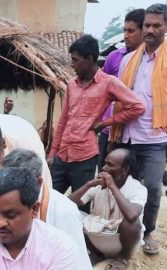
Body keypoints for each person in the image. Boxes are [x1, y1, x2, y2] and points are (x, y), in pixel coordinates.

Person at [112, 4, 167, 256]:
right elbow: (119, 97)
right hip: (127, 135)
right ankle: (119, 229)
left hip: (157, 137)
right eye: (147, 25)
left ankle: (149, 232)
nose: (151, 30)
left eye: (157, 25)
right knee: (121, 185)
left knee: (153, 186)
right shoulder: (127, 61)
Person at [2, 149, 94, 270]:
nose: (9, 191)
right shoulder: (5, 203)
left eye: (17, 186)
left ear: (37, 183)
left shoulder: (62, 211)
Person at [48, 34, 144, 200]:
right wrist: (52, 153)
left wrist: (106, 123)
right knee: (49, 200)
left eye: (76, 60)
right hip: (62, 154)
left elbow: (138, 107)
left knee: (81, 203)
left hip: (85, 156)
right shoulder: (72, 84)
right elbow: (64, 120)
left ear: (90, 59)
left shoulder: (108, 83)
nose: (72, 65)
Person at [70, 149, 147, 270]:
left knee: (132, 223)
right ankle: (96, 253)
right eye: (105, 163)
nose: (104, 168)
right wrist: (89, 184)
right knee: (71, 214)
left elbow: (132, 215)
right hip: (96, 240)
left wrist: (112, 186)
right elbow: (68, 204)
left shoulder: (138, 188)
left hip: (122, 244)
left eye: (110, 165)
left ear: (125, 169)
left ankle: (123, 259)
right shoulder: (98, 185)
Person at [98, 9, 145, 169]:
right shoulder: (114, 57)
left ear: (143, 30)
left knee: (131, 177)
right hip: (110, 129)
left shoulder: (153, 62)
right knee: (105, 173)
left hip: (137, 130)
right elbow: (102, 91)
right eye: (124, 30)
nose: (125, 35)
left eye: (131, 31)